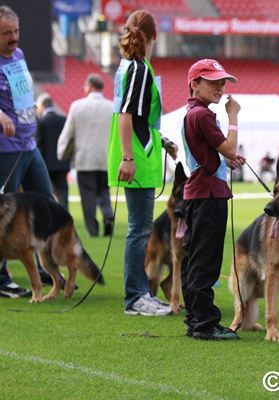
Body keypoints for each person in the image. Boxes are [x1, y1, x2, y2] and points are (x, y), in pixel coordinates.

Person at [107, 10, 177, 316]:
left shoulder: (130, 67)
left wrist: (162, 141)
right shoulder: (139, 70)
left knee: (139, 229)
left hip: (137, 153)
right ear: (154, 36)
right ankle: (136, 297)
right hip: (135, 158)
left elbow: (138, 119)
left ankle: (137, 295)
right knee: (139, 230)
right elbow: (126, 116)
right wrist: (128, 157)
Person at [181, 58, 245, 340]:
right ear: (195, 84)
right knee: (206, 260)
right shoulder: (203, 115)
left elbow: (215, 152)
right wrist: (233, 116)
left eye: (222, 82)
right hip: (208, 194)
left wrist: (222, 160)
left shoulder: (193, 112)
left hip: (200, 192)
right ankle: (204, 323)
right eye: (213, 81)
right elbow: (230, 148)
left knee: (196, 259)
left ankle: (197, 318)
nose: (220, 87)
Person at [0, 5, 55, 299]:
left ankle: (44, 264)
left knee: (45, 204)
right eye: (6, 33)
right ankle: (2, 276)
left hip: (29, 145)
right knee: (5, 216)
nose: (13, 38)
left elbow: (22, 89)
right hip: (5, 150)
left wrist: (30, 105)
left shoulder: (19, 56)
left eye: (16, 31)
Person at [58, 73, 114, 237]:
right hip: (105, 158)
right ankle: (108, 213)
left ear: (89, 86)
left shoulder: (77, 106)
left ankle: (93, 229)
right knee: (104, 190)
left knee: (87, 196)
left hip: (84, 159)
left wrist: (61, 152)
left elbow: (68, 132)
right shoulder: (111, 107)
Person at [35, 93, 70, 210]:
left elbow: (39, 145)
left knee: (47, 194)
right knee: (63, 193)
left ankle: (51, 218)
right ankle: (65, 219)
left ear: (43, 105)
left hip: (46, 165)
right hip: (62, 163)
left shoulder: (41, 121)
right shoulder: (63, 119)